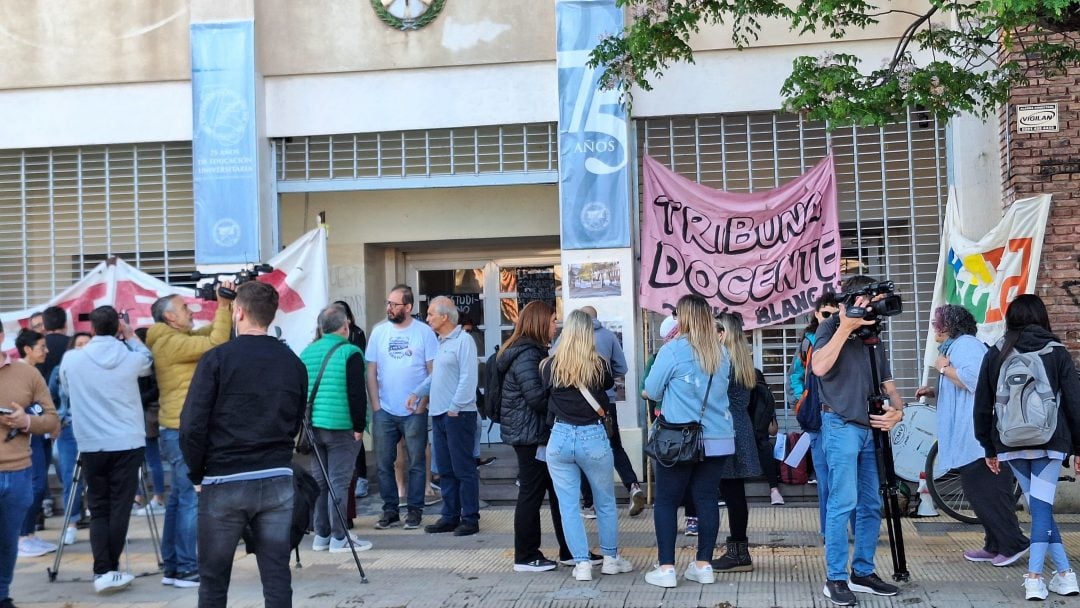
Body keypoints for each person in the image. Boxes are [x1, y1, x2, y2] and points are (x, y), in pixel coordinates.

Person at [180, 281, 307, 608]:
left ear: (238, 312)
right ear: (271, 315)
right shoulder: (293, 362)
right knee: (277, 574)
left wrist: (196, 473)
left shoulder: (217, 359)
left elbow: (192, 424)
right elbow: (295, 419)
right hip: (276, 476)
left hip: (225, 479)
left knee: (214, 578)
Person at [973, 294, 1080, 601]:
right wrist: (1078, 447)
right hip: (1050, 441)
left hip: (1009, 442)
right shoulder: (1056, 351)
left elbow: (982, 403)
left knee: (1040, 509)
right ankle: (1036, 578)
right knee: (1042, 509)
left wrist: (987, 446)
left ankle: (1064, 575)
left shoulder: (997, 351)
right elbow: (1074, 402)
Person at [812, 275, 905, 606]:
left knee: (871, 504)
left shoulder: (873, 334)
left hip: (871, 428)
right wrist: (844, 327)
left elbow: (888, 383)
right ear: (847, 302)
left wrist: (898, 410)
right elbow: (820, 367)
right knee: (843, 502)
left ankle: (862, 572)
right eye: (868, 301)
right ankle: (835, 578)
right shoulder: (829, 328)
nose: (872, 308)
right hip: (840, 425)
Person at [916, 305, 1028, 567]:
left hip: (978, 436)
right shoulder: (958, 347)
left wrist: (943, 369)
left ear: (949, 326)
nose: (933, 327)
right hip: (971, 436)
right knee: (980, 492)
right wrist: (935, 390)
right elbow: (966, 384)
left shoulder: (965, 345)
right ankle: (994, 545)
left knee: (987, 492)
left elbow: (976, 380)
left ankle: (1014, 543)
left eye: (936, 323)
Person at [59, 305, 153, 594]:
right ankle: (108, 569)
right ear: (118, 327)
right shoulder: (129, 357)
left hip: (91, 442)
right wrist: (131, 335)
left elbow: (64, 387)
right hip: (127, 440)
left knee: (99, 507)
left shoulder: (72, 358)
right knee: (120, 506)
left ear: (92, 329)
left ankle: (104, 569)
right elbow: (149, 361)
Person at [146, 283, 234, 588]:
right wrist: (223, 306)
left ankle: (173, 566)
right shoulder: (170, 343)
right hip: (183, 431)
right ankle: (185, 568)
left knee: (177, 500)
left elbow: (209, 333)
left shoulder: (173, 337)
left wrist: (227, 306)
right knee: (188, 501)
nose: (191, 311)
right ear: (170, 317)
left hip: (177, 429)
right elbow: (217, 341)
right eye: (185, 308)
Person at [642, 296, 732, 588]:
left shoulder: (673, 351)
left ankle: (667, 568)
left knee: (667, 501)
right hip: (718, 437)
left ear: (683, 318)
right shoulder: (721, 352)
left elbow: (652, 389)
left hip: (678, 440)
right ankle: (704, 565)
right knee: (706, 500)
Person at [542, 309, 634, 582]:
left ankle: (581, 564)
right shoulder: (599, 365)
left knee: (568, 505)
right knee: (605, 502)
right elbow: (609, 382)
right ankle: (610, 560)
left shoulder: (548, 366)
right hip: (592, 438)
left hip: (559, 438)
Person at [498, 301, 579, 571]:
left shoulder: (529, 351)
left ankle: (570, 550)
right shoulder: (528, 355)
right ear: (540, 322)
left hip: (534, 434)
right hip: (531, 436)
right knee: (532, 494)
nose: (556, 325)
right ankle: (526, 555)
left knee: (558, 492)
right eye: (553, 320)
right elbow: (536, 398)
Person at [299, 305, 372, 553]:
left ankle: (322, 535)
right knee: (339, 482)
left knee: (320, 482)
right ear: (345, 326)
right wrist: (360, 426)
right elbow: (356, 393)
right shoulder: (350, 352)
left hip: (313, 428)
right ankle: (340, 538)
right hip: (341, 426)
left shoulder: (307, 352)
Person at [366, 284, 439, 530]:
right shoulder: (379, 332)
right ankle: (390, 511)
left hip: (414, 411)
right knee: (384, 463)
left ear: (408, 307)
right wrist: (376, 405)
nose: (388, 308)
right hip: (385, 409)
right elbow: (372, 370)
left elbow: (433, 371)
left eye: (394, 304)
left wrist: (423, 404)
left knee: (416, 462)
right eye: (388, 303)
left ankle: (415, 510)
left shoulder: (424, 333)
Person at [0, 321, 60, 608]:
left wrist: (26, 421)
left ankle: (3, 595)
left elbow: (52, 420)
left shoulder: (26, 373)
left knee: (8, 542)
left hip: (18, 471)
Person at [412, 296, 480, 536]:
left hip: (458, 415)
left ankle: (470, 518)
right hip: (439, 414)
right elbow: (437, 376)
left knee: (463, 468)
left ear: (445, 316)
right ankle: (450, 515)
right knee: (446, 469)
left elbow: (468, 378)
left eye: (430, 314)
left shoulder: (464, 341)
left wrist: (455, 406)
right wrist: (417, 392)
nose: (427, 318)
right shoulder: (441, 342)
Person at [575, 306, 645, 518]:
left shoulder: (571, 337)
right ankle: (632, 485)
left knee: (583, 450)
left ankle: (589, 504)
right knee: (614, 445)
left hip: (579, 402)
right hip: (606, 402)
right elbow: (622, 368)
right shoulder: (608, 336)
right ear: (597, 318)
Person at [711, 312, 762, 574]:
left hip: (725, 430)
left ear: (724, 332)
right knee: (735, 495)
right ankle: (739, 550)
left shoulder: (723, 361)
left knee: (725, 493)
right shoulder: (743, 361)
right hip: (740, 429)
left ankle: (737, 553)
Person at [790, 294, 841, 537]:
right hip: (816, 417)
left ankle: (848, 527)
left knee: (843, 476)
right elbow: (795, 376)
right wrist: (803, 399)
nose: (829, 319)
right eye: (825, 314)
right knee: (824, 475)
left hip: (843, 415)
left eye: (834, 314)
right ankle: (828, 530)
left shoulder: (846, 337)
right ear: (816, 314)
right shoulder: (807, 342)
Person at [13, 329, 55, 559]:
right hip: (27, 437)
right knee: (35, 485)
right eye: (42, 347)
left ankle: (29, 534)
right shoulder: (17, 373)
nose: (46, 351)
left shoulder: (34, 371)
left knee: (40, 484)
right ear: (27, 349)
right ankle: (21, 536)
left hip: (42, 433)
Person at [48, 332, 91, 546]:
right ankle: (71, 523)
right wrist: (58, 418)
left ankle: (95, 517)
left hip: (95, 427)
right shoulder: (59, 370)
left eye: (88, 343)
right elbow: (50, 397)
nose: (83, 347)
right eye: (79, 344)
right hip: (69, 428)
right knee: (69, 476)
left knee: (96, 477)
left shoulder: (101, 369)